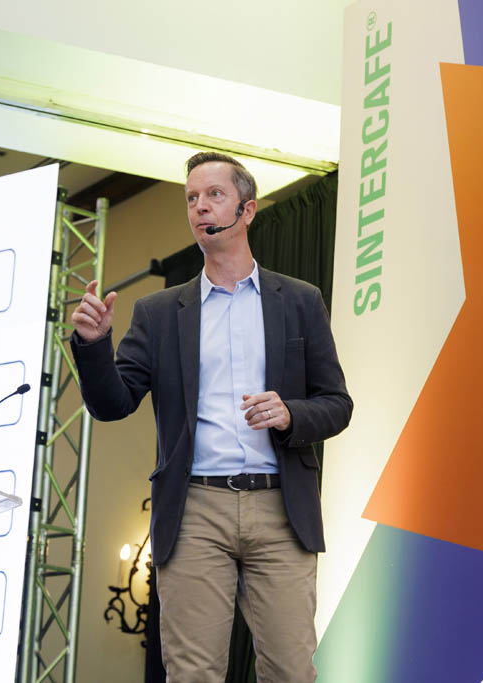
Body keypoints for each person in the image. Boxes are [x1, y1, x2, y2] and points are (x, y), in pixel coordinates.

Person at [70, 152, 352, 682]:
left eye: (214, 195)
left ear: (247, 210)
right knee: (192, 673)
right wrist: (93, 345)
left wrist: (290, 413)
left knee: (292, 672)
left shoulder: (299, 301)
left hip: (280, 508)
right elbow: (113, 404)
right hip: (195, 509)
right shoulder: (159, 313)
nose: (200, 207)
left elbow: (337, 404)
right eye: (191, 198)